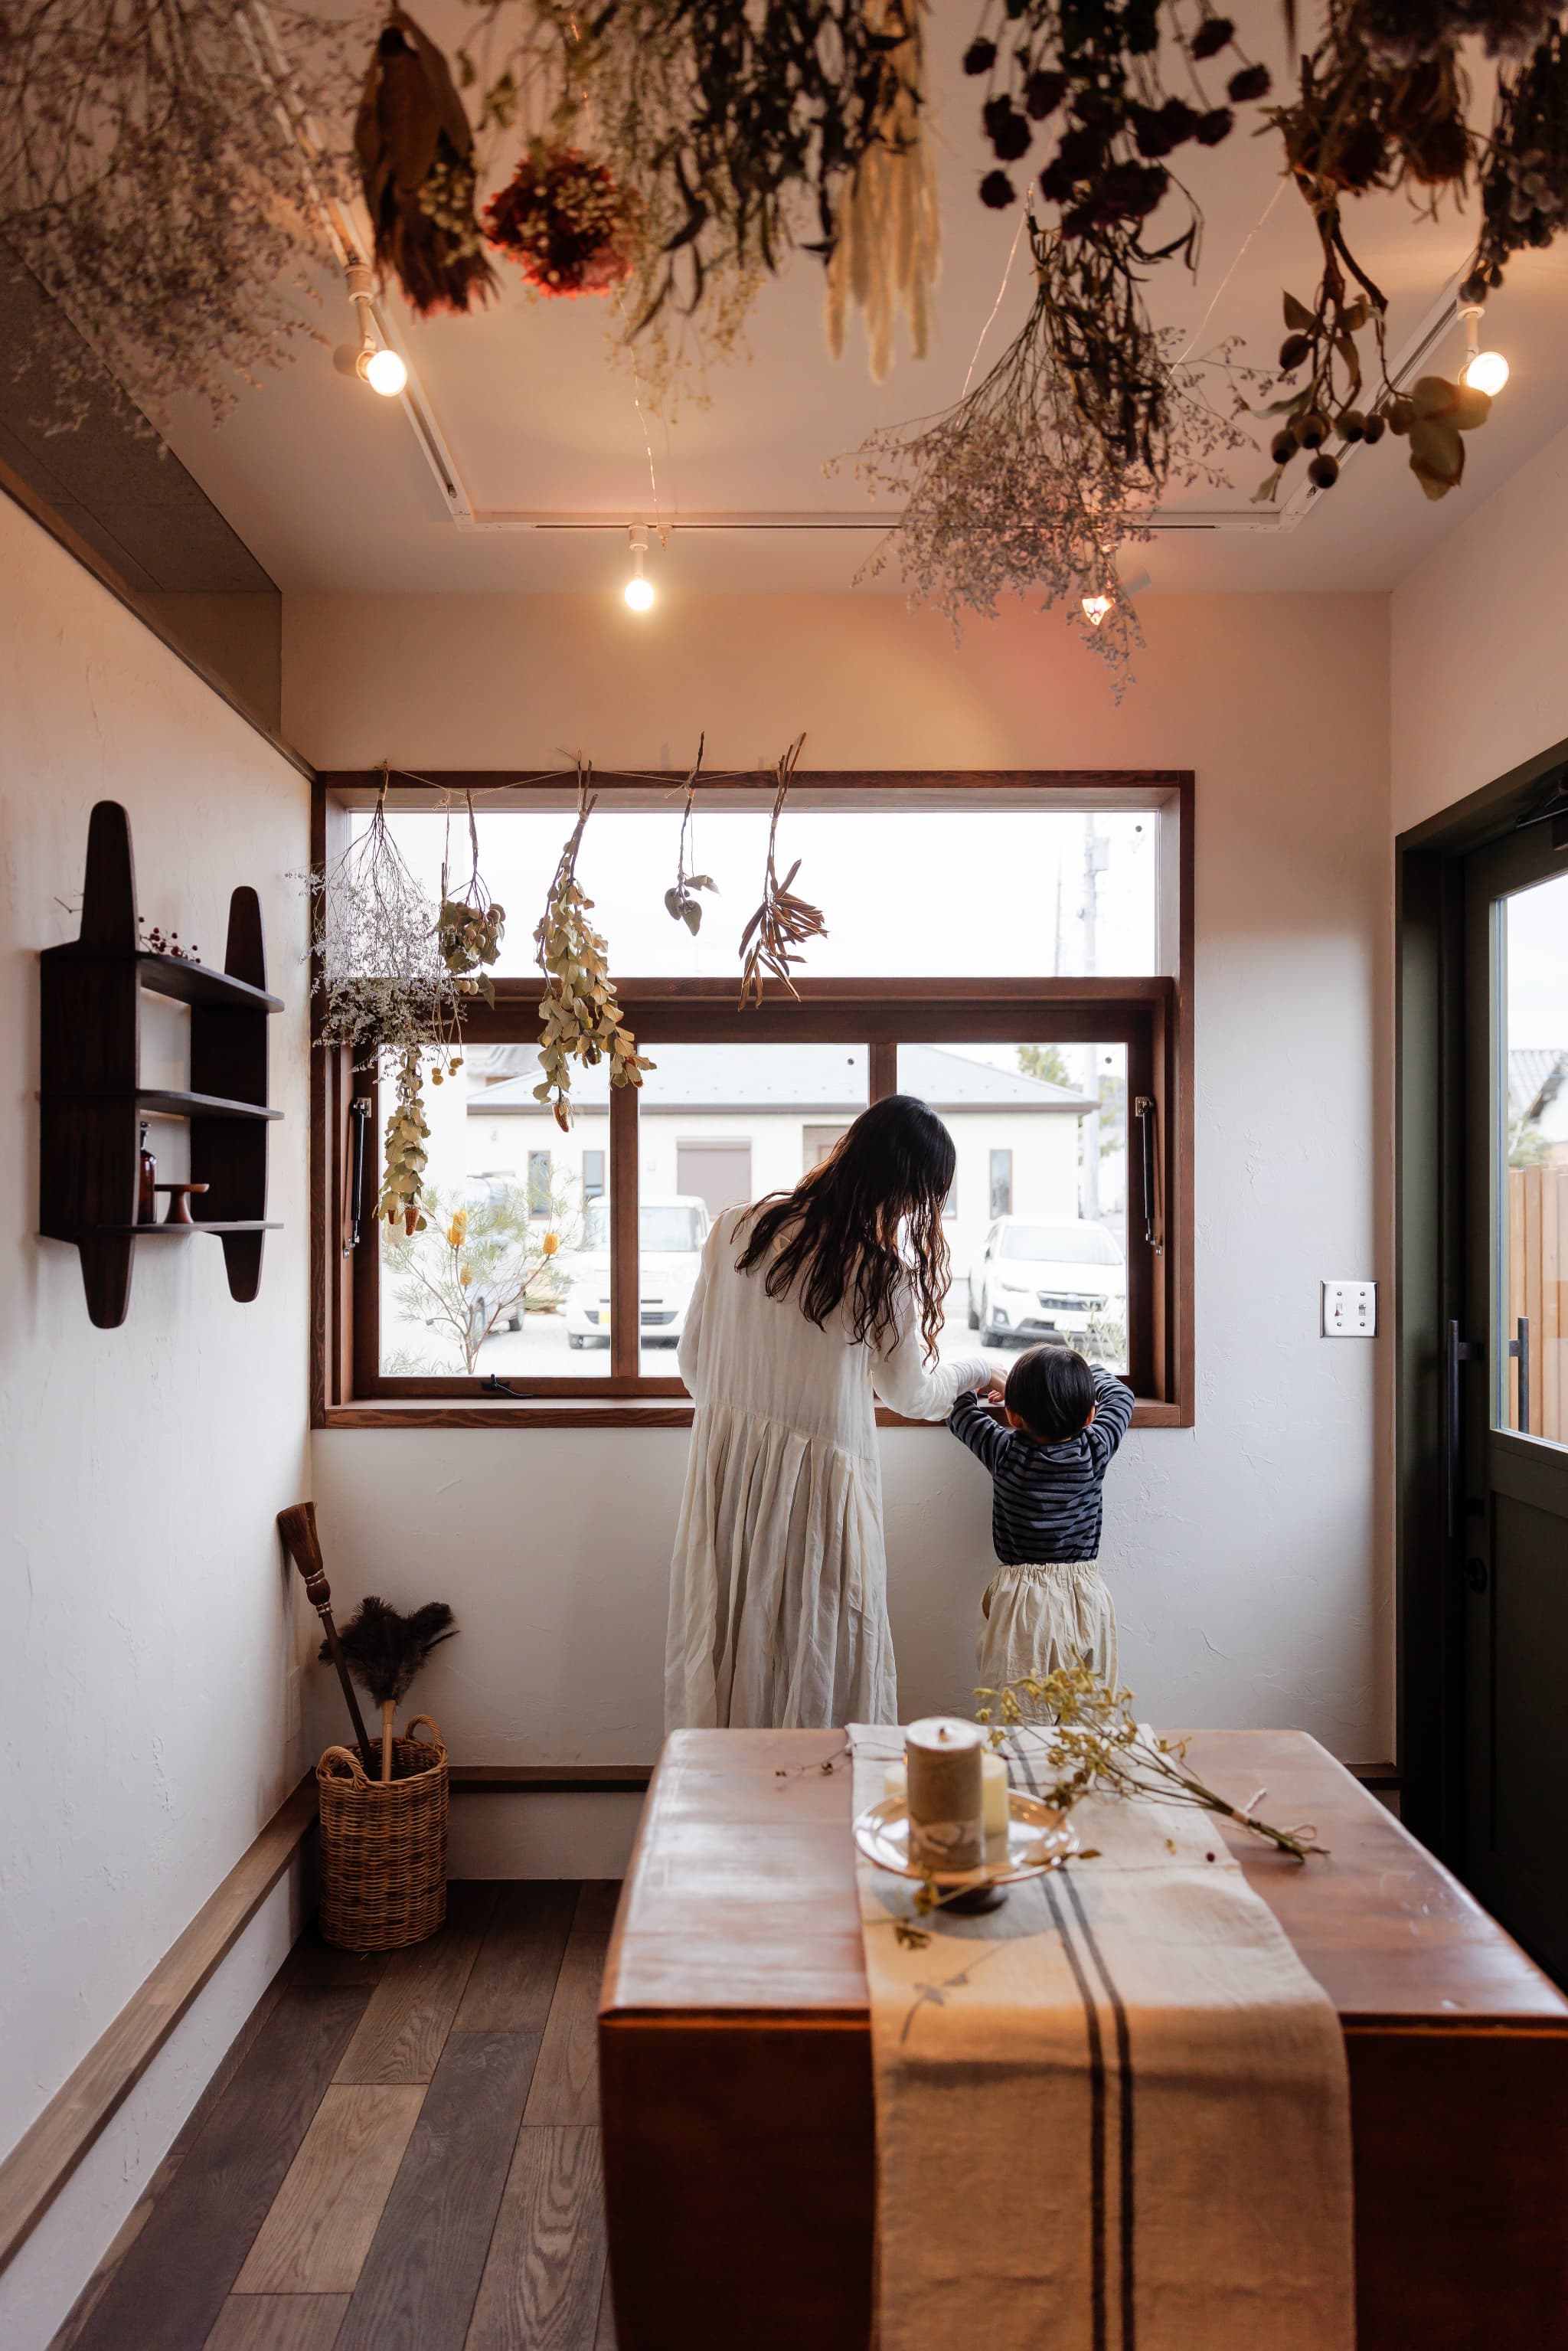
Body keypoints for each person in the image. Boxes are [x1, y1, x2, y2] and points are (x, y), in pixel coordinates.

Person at [666, 1096, 993, 1731]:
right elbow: (911, 1395)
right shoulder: (878, 1274)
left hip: (727, 1479)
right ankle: (816, 1790)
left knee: (729, 1640)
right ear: (908, 1193)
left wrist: (750, 1427)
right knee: (815, 1658)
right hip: (819, 1499)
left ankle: (727, 1785)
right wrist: (979, 1369)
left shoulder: (734, 1228)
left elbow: (693, 1364)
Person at [947, 1343, 1135, 1701]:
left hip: (1021, 1603)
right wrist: (1085, 1374)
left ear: (1013, 1416)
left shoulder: (1005, 1453)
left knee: (1018, 1711)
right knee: (1086, 1712)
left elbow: (957, 1406)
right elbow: (1122, 1396)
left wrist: (988, 1377)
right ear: (1089, 1416)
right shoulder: (1094, 1449)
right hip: (1084, 1598)